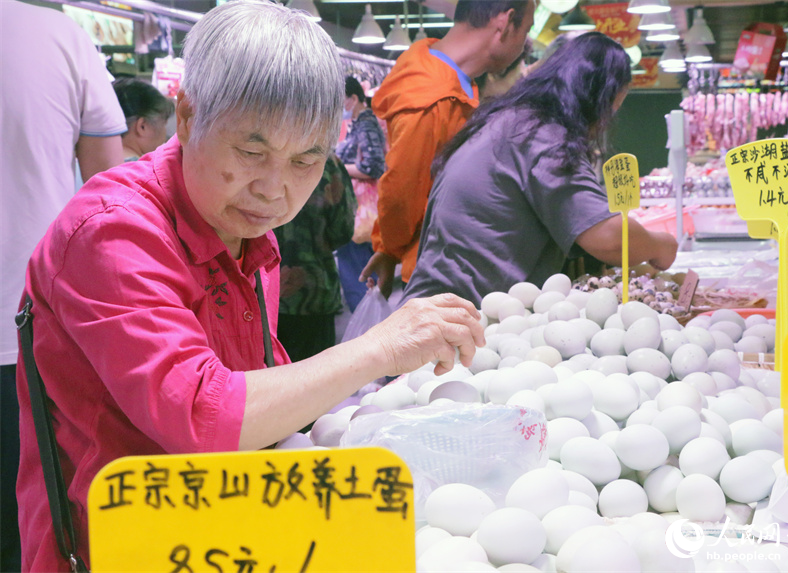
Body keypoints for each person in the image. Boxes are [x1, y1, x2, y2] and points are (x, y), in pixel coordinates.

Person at [14, 2, 484, 571]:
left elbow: (254, 386)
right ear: (187, 117)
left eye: (306, 160)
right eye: (251, 151)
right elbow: (202, 415)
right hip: (120, 547)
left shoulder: (244, 228)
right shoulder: (114, 232)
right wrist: (381, 348)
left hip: (220, 531)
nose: (274, 190)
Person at [402, 32, 679, 307]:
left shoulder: (513, 120)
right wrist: (661, 245)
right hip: (457, 316)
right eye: (611, 110)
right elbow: (609, 239)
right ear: (601, 99)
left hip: (444, 305)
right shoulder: (542, 134)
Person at [0, 2, 126, 570]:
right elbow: (106, 191)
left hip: (33, 328)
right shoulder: (62, 36)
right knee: (30, 521)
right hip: (29, 325)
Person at [360, 0, 537, 299]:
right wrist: (389, 249)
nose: (524, 45)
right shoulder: (431, 99)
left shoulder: (456, 83)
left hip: (445, 263)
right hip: (433, 275)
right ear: (506, 23)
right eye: (527, 29)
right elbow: (401, 193)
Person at [273, 155, 356, 361]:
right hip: (313, 293)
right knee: (313, 381)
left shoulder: (250, 152)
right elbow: (342, 230)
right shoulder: (324, 161)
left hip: (255, 294)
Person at [335, 76, 386, 312]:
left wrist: (336, 167)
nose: (340, 105)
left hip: (360, 208)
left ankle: (366, 326)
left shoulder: (366, 124)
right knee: (360, 269)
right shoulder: (361, 123)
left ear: (354, 98)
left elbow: (374, 166)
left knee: (357, 270)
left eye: (342, 99)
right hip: (359, 206)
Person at [113, 76, 175, 161]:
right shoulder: (141, 172)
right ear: (143, 126)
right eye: (164, 124)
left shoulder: (95, 163)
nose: (165, 136)